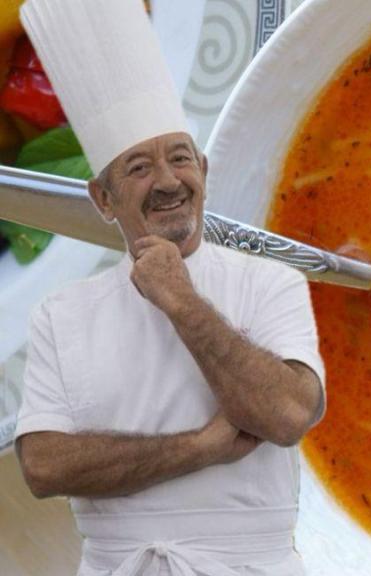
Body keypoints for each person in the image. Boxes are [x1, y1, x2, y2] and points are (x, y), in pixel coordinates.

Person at [13, 0, 326, 574]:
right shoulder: (61, 311)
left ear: (203, 170)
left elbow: (286, 413)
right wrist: (197, 448)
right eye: (136, 168)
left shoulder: (272, 280)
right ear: (102, 199)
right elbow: (42, 466)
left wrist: (178, 299)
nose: (166, 181)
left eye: (179, 159)